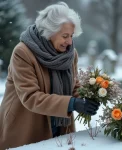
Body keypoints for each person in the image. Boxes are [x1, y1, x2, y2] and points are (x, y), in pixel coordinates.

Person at [0, 2, 100, 149]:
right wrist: (72, 103)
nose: (70, 42)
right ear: (49, 32)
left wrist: (85, 100)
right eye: (65, 36)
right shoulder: (23, 53)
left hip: (60, 129)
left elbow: (74, 85)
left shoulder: (70, 54)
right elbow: (31, 97)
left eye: (71, 36)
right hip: (25, 127)